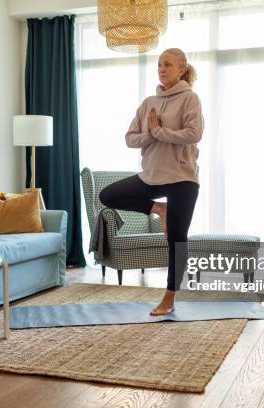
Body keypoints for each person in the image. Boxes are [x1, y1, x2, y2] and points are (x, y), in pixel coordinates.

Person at [99, 48, 203, 316]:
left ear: (181, 69)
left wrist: (159, 131)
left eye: (167, 64)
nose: (161, 68)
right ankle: (159, 209)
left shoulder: (190, 99)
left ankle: (170, 296)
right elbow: (129, 138)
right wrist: (149, 134)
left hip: (182, 177)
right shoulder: (148, 103)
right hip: (151, 175)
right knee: (108, 195)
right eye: (159, 64)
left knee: (177, 239)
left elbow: (194, 134)